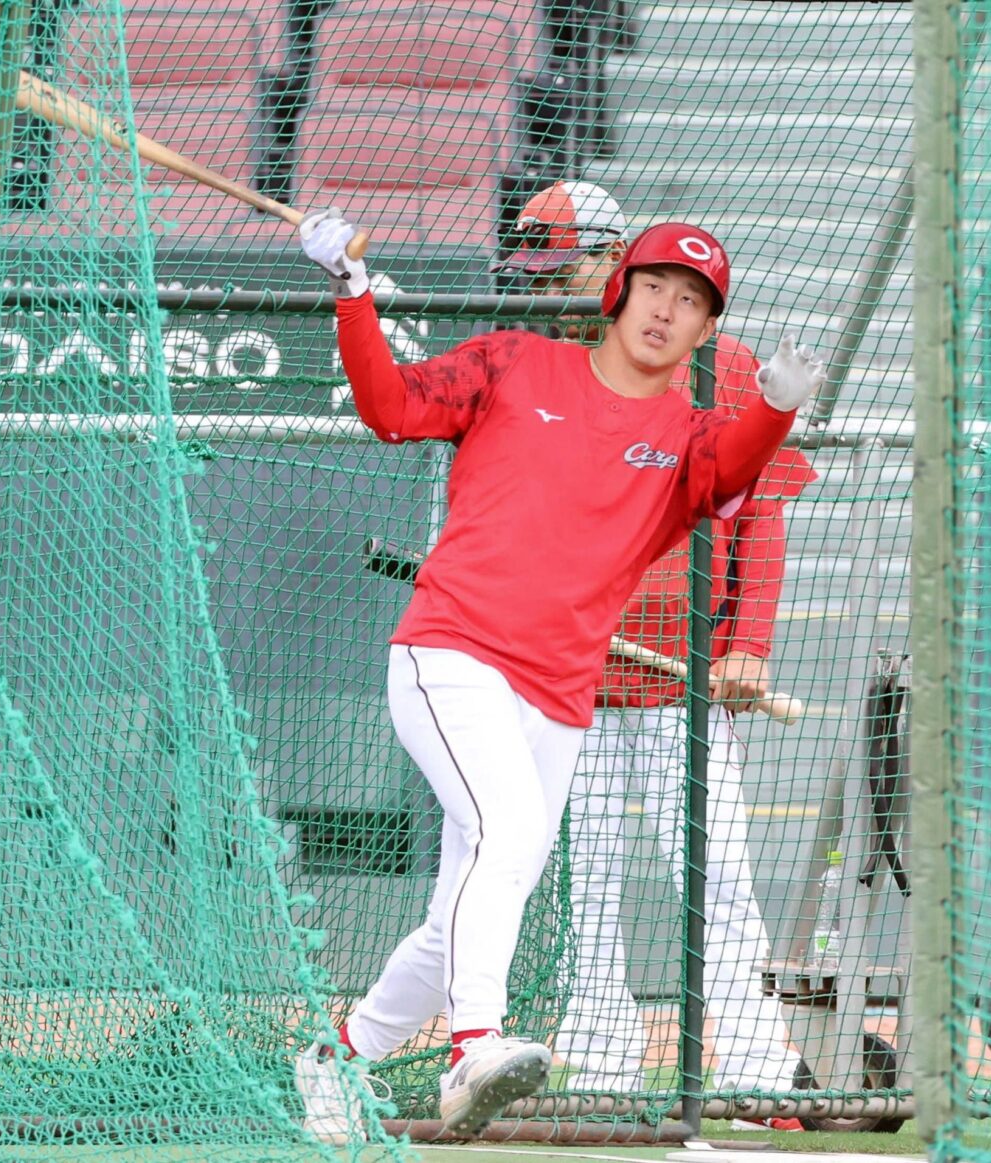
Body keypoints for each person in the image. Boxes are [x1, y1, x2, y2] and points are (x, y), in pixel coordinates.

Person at [292, 202, 825, 1144]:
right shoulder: (512, 361)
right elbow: (389, 407)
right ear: (620, 290)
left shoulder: (692, 435)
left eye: (692, 300)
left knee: (477, 895)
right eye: (656, 285)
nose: (667, 309)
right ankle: (473, 1048)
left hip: (561, 693)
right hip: (451, 653)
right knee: (505, 836)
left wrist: (776, 406)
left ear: (709, 326)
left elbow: (739, 469)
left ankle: (338, 1055)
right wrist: (352, 290)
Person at [495, 181, 815, 1125]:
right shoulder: (553, 367)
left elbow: (761, 516)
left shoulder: (723, 368)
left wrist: (749, 642)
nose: (552, 290)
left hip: (685, 675)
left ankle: (757, 1059)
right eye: (541, 274)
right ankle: (597, 1053)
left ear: (618, 262)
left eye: (567, 269)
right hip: (571, 672)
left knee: (711, 871)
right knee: (582, 867)